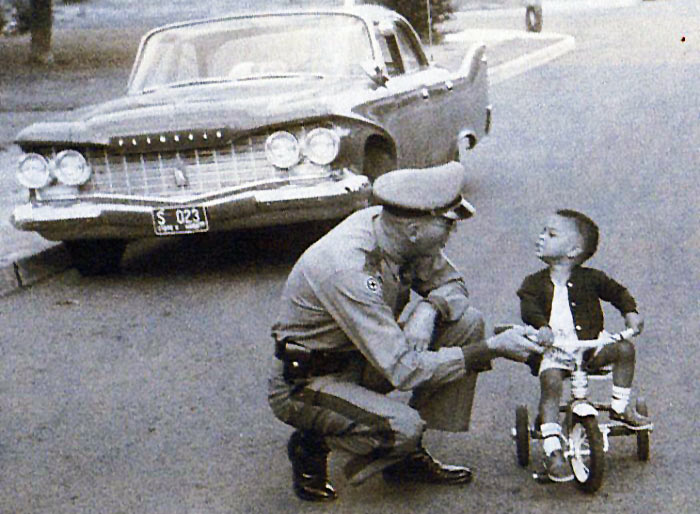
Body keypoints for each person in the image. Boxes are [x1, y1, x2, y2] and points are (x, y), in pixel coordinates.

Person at [268, 162, 544, 502]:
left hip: (363, 357)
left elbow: (454, 285)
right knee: (403, 427)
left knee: (466, 322)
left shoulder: (397, 232)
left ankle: (405, 456)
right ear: (414, 229)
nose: (451, 232)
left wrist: (429, 309)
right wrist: (492, 349)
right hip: (308, 383)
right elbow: (404, 370)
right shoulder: (348, 267)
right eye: (446, 223)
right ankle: (313, 441)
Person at [517, 209, 650, 483]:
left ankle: (620, 406)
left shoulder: (592, 278)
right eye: (543, 231)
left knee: (625, 349)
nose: (541, 237)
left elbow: (618, 292)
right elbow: (528, 307)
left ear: (573, 250)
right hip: (555, 351)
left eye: (551, 234)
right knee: (551, 383)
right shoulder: (533, 283)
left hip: (590, 347)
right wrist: (541, 327)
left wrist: (631, 313)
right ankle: (553, 448)